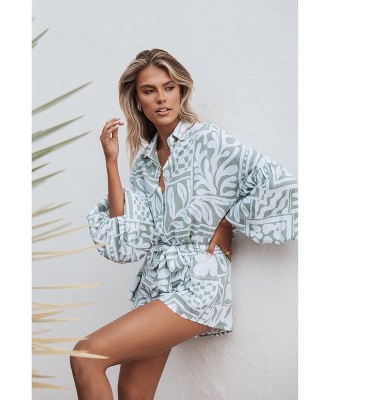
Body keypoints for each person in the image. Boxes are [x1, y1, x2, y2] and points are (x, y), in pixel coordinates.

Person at [70, 49, 298, 400]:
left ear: (181, 92)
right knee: (132, 391)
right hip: (155, 286)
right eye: (149, 90)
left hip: (198, 283)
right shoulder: (145, 162)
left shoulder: (208, 141)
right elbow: (126, 241)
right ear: (138, 101)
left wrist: (229, 221)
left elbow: (279, 184)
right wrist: (111, 163)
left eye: (169, 87)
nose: (161, 98)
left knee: (86, 356)